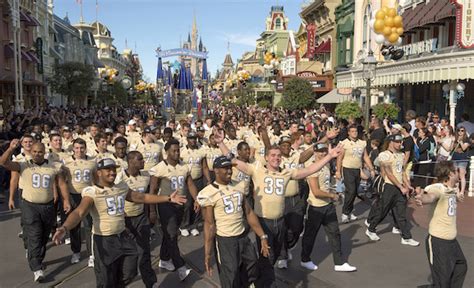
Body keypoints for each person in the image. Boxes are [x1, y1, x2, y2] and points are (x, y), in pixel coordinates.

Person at [213, 127, 343, 288]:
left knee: (272, 257)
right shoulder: (257, 170)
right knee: (267, 257)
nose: (276, 158)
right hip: (264, 222)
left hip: (280, 222)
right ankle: (265, 284)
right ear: (266, 158)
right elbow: (233, 159)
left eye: (278, 156)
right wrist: (220, 143)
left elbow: (310, 169)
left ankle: (253, 281)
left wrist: (330, 156)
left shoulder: (286, 173)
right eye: (273, 155)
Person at [52, 158, 186, 287]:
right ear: (99, 173)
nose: (112, 172)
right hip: (104, 239)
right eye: (108, 170)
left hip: (122, 236)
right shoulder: (92, 192)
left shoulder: (121, 186)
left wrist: (168, 198)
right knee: (105, 280)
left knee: (130, 269)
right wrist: (64, 228)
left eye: (114, 170)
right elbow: (79, 212)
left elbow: (141, 197)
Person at [0, 140, 71, 282]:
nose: (37, 154)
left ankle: (37, 258)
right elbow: (3, 163)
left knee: (44, 236)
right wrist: (10, 149)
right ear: (30, 152)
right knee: (35, 234)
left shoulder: (54, 166)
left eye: (40, 152)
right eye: (34, 152)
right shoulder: (23, 164)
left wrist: (66, 200)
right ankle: (37, 268)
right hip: (30, 205)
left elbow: (61, 183)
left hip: (48, 205)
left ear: (45, 152)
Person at [198, 156, 270, 288]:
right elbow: (209, 224)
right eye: (225, 168)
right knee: (231, 275)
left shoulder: (239, 185)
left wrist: (262, 235)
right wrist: (207, 254)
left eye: (230, 168)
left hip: (242, 236)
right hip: (226, 240)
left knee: (253, 264)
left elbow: (248, 212)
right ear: (216, 171)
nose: (229, 171)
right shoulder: (208, 193)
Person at [300, 143, 357, 272]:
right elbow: (316, 191)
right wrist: (333, 196)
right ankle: (305, 259)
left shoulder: (325, 165)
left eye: (325, 151)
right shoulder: (312, 168)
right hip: (316, 207)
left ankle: (339, 263)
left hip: (328, 207)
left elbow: (328, 181)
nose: (323, 153)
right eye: (320, 151)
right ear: (314, 152)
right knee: (310, 235)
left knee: (335, 234)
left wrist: (335, 189)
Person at [148, 139, 199, 281]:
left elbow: (190, 184)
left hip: (180, 205)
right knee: (171, 234)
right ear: (167, 152)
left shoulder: (184, 166)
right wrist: (152, 211)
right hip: (166, 205)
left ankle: (164, 259)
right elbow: (152, 190)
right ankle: (181, 267)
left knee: (170, 234)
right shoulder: (159, 168)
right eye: (174, 151)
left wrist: (196, 199)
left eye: (178, 150)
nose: (177, 153)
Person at [414, 161, 467, 288]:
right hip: (439, 242)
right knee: (442, 281)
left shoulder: (451, 190)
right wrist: (422, 198)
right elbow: (431, 196)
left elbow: (447, 203)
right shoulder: (439, 188)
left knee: (461, 267)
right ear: (450, 174)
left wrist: (456, 198)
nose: (458, 174)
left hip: (452, 242)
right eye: (455, 171)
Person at [365, 134, 419, 246]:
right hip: (389, 187)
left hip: (400, 188)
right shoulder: (384, 155)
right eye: (398, 142)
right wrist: (400, 186)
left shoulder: (401, 154)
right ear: (391, 142)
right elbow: (389, 173)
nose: (400, 144)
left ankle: (406, 237)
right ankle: (371, 229)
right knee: (382, 210)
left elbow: (402, 172)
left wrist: (407, 185)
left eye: (401, 142)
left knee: (401, 213)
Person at [115, 151, 157, 288]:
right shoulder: (119, 178)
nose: (143, 161)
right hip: (125, 221)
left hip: (140, 218)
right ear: (131, 161)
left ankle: (150, 283)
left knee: (144, 252)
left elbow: (148, 196)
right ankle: (122, 281)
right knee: (128, 256)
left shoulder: (146, 176)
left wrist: (151, 211)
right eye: (140, 159)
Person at [62, 138, 96, 266]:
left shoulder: (92, 162)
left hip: (87, 196)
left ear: (85, 148)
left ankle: (91, 254)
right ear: (73, 148)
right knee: (74, 226)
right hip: (73, 195)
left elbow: (95, 179)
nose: (79, 150)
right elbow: (63, 181)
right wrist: (65, 199)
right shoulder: (66, 163)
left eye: (81, 148)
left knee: (89, 225)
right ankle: (75, 251)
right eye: (76, 148)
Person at [336, 124, 375, 223]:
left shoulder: (362, 143)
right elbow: (339, 158)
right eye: (352, 131)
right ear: (348, 132)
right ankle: (345, 213)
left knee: (355, 192)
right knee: (351, 190)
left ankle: (349, 211)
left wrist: (371, 169)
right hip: (347, 168)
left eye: (356, 131)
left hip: (357, 169)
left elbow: (365, 157)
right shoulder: (344, 143)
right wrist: (338, 171)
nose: (354, 133)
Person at [452, 127, 471, 196]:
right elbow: (451, 149)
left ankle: (462, 191)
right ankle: (457, 190)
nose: (460, 132)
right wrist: (454, 141)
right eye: (458, 131)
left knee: (462, 175)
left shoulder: (467, 140)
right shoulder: (455, 139)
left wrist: (460, 142)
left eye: (462, 131)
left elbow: (464, 148)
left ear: (464, 132)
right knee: (455, 175)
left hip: (462, 159)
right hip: (455, 158)